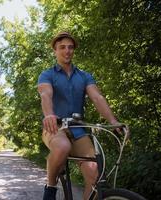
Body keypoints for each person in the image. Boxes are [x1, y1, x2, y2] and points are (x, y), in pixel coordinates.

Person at [37, 32, 120, 200]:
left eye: (70, 47)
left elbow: (97, 97)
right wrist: (49, 115)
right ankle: (51, 187)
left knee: (95, 174)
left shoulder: (84, 76)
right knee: (62, 147)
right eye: (62, 47)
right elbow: (46, 95)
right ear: (55, 50)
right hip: (55, 127)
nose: (67, 51)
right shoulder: (47, 74)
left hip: (78, 129)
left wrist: (113, 121)